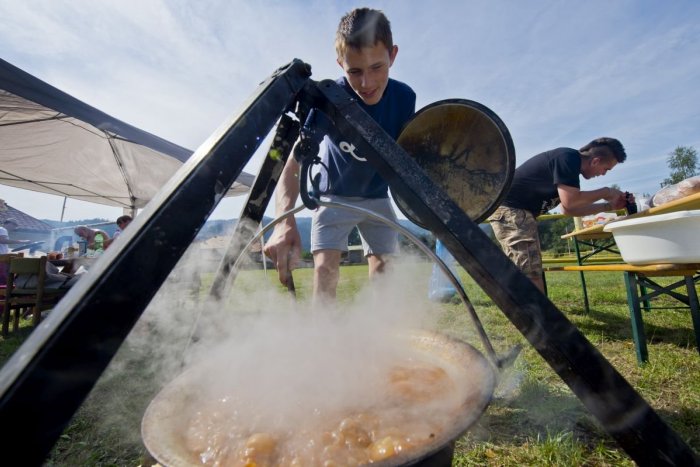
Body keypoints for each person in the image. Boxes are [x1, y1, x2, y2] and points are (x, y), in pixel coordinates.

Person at [263, 7, 416, 306]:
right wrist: (285, 220)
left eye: (377, 67)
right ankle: (323, 343)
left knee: (386, 270)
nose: (367, 83)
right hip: (334, 195)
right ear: (340, 64)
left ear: (393, 56)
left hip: (377, 196)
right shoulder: (330, 99)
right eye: (355, 71)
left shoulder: (405, 98)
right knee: (325, 269)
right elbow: (293, 163)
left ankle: (378, 337)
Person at [489, 137, 631, 292]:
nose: (603, 174)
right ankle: (539, 316)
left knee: (529, 269)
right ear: (595, 161)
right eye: (606, 169)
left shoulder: (569, 166)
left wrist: (610, 206)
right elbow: (571, 201)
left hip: (517, 213)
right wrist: (606, 192)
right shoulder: (567, 158)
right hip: (512, 210)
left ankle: (533, 313)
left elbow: (568, 210)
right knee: (529, 271)